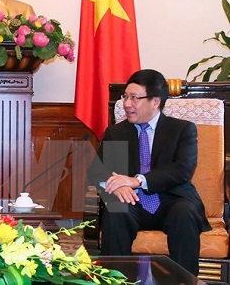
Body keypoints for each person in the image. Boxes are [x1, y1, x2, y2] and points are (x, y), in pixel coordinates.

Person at [88, 69, 211, 276]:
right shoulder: (117, 132)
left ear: (155, 102)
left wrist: (137, 180)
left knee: (185, 212)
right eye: (125, 96)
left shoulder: (181, 130)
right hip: (132, 202)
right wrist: (114, 186)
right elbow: (98, 171)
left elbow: (183, 170)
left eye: (134, 98)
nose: (127, 103)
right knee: (116, 211)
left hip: (173, 199)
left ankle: (184, 281)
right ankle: (115, 280)